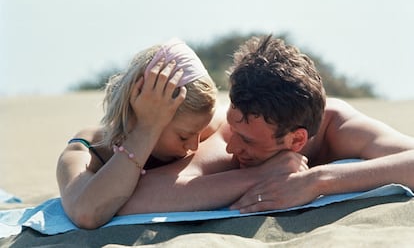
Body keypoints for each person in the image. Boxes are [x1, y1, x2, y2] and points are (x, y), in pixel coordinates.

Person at [115, 34, 414, 216]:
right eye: (234, 129)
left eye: (248, 141)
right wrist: (259, 174)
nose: (233, 147)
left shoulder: (338, 126)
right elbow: (136, 198)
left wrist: (316, 181)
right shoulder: (228, 135)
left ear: (297, 141)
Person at [56, 38, 219, 229]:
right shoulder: (88, 150)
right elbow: (86, 214)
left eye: (199, 133)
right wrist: (145, 129)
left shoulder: (199, 125)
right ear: (137, 115)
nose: (194, 146)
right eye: (183, 137)